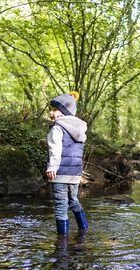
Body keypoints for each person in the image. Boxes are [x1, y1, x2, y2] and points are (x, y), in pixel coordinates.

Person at [46, 92, 89, 235]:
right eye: (50, 110)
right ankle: (83, 229)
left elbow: (55, 149)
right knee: (73, 200)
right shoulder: (80, 128)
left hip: (60, 173)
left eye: (54, 109)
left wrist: (52, 166)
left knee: (60, 206)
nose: (51, 113)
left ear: (64, 111)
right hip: (75, 174)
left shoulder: (57, 128)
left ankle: (62, 241)